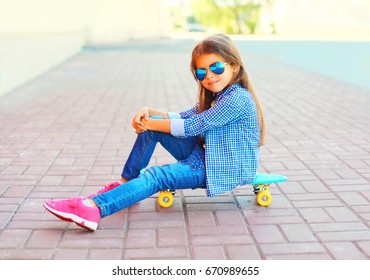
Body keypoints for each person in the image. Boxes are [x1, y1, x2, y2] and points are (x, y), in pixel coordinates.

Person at [43, 34, 265, 231]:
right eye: (201, 71)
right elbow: (185, 116)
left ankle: (92, 208)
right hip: (209, 156)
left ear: (234, 66)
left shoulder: (238, 99)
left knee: (157, 176)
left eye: (216, 68)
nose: (209, 76)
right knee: (155, 127)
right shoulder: (221, 95)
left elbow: (193, 126)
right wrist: (151, 114)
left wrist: (150, 123)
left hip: (222, 167)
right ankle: (125, 184)